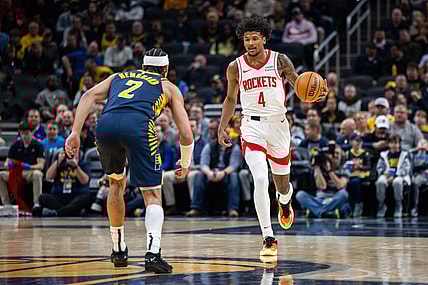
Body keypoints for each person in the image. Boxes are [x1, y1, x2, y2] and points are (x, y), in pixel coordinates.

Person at [65, 48, 193, 273]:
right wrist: (184, 162)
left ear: (143, 66)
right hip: (138, 127)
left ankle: (118, 248)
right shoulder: (168, 87)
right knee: (152, 194)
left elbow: (88, 96)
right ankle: (153, 254)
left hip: (105, 125)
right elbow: (186, 134)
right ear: (165, 69)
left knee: (115, 183)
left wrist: (75, 132)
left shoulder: (119, 77)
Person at [217, 16, 328, 256]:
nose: (250, 42)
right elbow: (230, 99)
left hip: (278, 125)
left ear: (264, 39)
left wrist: (315, 95)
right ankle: (268, 236)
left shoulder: (280, 60)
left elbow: (300, 87)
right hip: (251, 126)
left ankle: (285, 201)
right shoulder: (235, 67)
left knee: (282, 184)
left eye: (255, 38)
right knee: (259, 178)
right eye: (246, 39)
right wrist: (222, 126)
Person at [375, 134, 411, 218]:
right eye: (391, 143)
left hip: (400, 175)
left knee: (397, 182)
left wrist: (395, 175)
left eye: (396, 143)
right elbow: (379, 167)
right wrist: (384, 173)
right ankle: (381, 204)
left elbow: (406, 169)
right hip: (386, 175)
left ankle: (398, 205)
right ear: (388, 144)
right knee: (380, 182)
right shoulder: (383, 155)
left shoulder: (404, 155)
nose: (394, 145)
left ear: (399, 144)